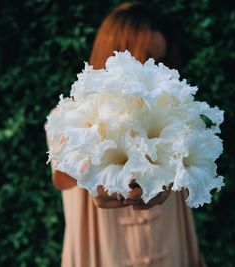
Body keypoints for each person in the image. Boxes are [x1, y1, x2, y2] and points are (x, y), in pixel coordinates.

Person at [46, 2, 207, 266]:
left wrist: (165, 179)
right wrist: (103, 179)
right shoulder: (67, 116)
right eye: (142, 57)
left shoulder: (174, 112)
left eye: (160, 60)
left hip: (168, 245)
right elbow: (63, 176)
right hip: (106, 254)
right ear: (115, 53)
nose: (151, 68)